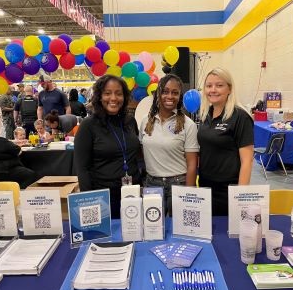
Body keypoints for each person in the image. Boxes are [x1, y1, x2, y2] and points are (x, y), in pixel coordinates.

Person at [74, 75, 141, 219]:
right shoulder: (88, 125)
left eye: (118, 93)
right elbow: (82, 169)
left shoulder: (130, 122)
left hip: (132, 194)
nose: (113, 98)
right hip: (103, 199)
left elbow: (135, 155)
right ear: (99, 96)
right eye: (107, 93)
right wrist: (89, 203)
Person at [197, 67, 254, 216]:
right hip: (205, 187)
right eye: (209, 86)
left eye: (219, 85)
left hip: (228, 191)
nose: (213, 90)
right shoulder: (205, 115)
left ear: (229, 88)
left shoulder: (240, 117)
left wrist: (240, 198)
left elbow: (247, 161)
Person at [140, 74, 199, 215]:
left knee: (179, 231)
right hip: (151, 184)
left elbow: (192, 164)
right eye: (165, 91)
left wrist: (188, 196)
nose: (170, 96)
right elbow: (142, 154)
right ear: (158, 94)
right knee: (152, 230)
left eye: (175, 93)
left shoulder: (188, 125)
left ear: (180, 97)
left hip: (178, 184)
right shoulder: (145, 122)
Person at [0, 118, 37, 189]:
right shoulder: (1, 141)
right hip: (3, 171)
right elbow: (18, 151)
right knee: (31, 175)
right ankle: (20, 195)